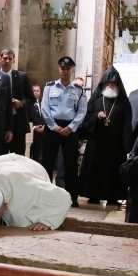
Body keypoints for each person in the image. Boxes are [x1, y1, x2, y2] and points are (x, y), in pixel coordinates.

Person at [78, 66, 132, 205]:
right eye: (107, 83)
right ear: (102, 85)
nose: (109, 85)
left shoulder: (124, 102)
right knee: (95, 168)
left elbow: (127, 124)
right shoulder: (96, 100)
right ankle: (94, 195)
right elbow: (86, 119)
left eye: (112, 83)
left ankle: (112, 197)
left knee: (113, 170)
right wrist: (96, 116)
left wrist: (127, 144)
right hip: (97, 142)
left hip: (116, 144)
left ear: (118, 85)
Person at [40, 56, 87, 207]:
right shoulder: (49, 87)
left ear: (72, 71)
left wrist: (71, 127)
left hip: (70, 129)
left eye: (68, 69)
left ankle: (72, 197)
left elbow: (82, 111)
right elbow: (44, 108)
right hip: (52, 127)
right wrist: (53, 126)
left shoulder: (78, 90)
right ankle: (44, 195)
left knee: (71, 164)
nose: (65, 71)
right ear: (58, 69)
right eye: (62, 68)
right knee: (47, 162)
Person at [0, 48, 33, 156]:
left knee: (18, 157)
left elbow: (31, 98)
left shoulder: (22, 76)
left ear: (14, 61)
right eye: (5, 58)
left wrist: (21, 103)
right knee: (0, 157)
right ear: (0, 59)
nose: (7, 61)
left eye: (10, 59)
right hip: (0, 123)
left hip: (18, 123)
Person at [26, 84, 45, 162]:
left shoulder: (43, 104)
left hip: (41, 135)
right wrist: (34, 128)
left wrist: (44, 127)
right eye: (34, 91)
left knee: (37, 157)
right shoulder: (27, 104)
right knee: (28, 156)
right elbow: (26, 119)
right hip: (30, 133)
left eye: (37, 91)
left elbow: (46, 117)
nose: (36, 92)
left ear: (40, 92)